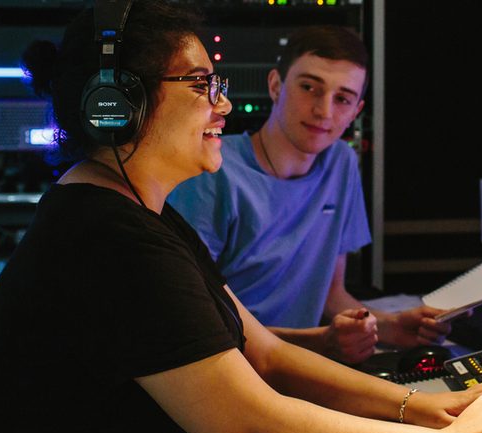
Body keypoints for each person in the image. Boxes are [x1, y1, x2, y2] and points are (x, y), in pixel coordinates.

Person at [0, 2, 482, 433]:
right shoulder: (109, 239)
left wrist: (425, 409)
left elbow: (264, 352)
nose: (223, 103)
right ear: (119, 104)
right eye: (200, 86)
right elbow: (249, 425)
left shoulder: (139, 211)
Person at [168, 26, 448, 365]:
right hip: (232, 371)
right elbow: (198, 324)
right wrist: (320, 343)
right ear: (275, 85)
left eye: (342, 98)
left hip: (299, 366)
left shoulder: (341, 163)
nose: (324, 111)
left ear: (355, 112)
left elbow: (332, 294)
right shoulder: (213, 170)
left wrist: (389, 328)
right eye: (309, 87)